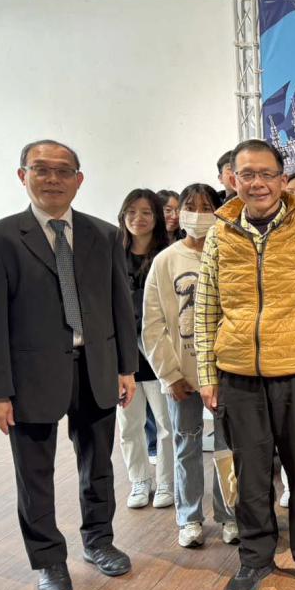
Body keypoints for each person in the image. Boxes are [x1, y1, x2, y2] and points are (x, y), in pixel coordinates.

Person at [0, 139, 137, 590]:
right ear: (22, 176)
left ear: (79, 180)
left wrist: (126, 367)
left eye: (63, 171)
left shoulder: (104, 234)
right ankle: (49, 560)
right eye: (41, 169)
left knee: (99, 466)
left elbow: (119, 305)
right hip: (30, 377)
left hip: (97, 368)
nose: (53, 179)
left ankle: (99, 541)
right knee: (35, 476)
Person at [194, 139, 295, 590]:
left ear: (282, 179)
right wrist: (207, 374)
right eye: (247, 174)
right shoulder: (220, 234)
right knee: (251, 475)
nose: (257, 183)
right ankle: (255, 557)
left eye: (266, 174)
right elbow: (206, 306)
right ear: (232, 179)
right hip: (238, 373)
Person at [143, 183, 240, 548]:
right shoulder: (166, 260)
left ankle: (230, 514)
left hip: (226, 371)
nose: (198, 214)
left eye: (205, 206)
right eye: (190, 206)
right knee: (186, 444)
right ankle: (189, 518)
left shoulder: (229, 254)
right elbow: (152, 324)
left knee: (228, 446)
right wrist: (169, 374)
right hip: (182, 373)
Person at [115, 190, 176, 511]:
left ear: (157, 218)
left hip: (159, 353)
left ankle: (166, 481)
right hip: (123, 356)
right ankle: (139, 479)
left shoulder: (167, 255)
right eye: (132, 212)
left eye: (146, 212)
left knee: (166, 426)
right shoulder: (112, 254)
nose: (138, 218)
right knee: (129, 425)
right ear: (123, 215)